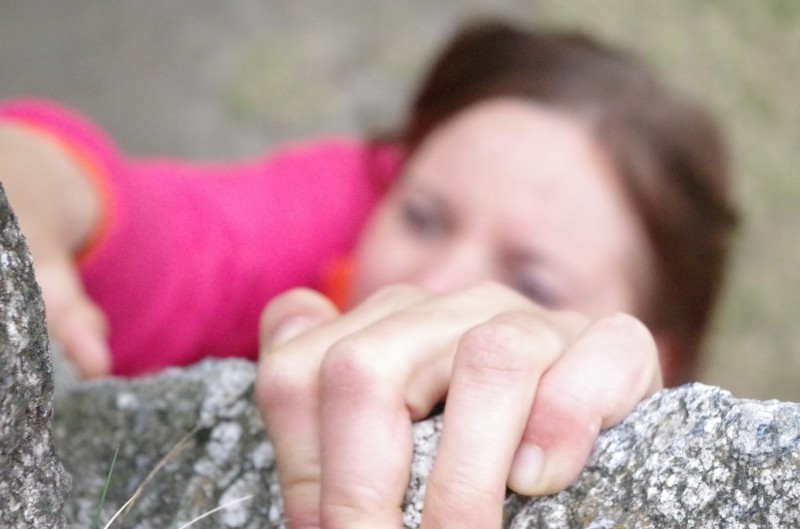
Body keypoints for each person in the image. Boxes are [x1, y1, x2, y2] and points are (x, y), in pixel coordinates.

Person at [0, 17, 737, 529]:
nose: (444, 279)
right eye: (421, 215)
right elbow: (134, 214)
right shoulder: (339, 215)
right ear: (389, 182)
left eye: (537, 284)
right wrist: (30, 195)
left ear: (658, 353)